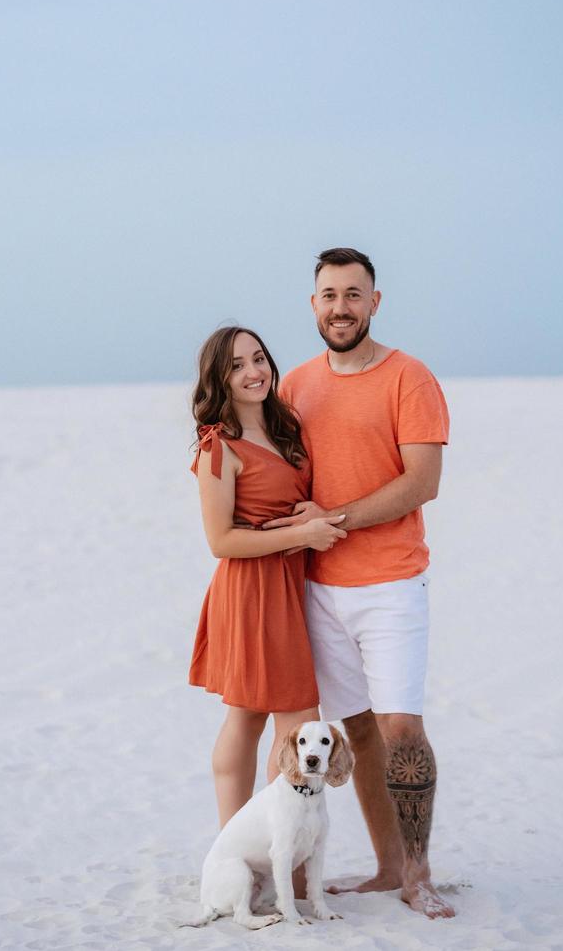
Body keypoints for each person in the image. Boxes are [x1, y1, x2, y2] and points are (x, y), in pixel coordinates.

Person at [265, 247, 455, 919]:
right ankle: (385, 867)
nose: (339, 307)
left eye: (352, 294)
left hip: (391, 584)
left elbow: (421, 483)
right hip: (317, 590)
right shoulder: (296, 386)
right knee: (359, 732)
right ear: (312, 305)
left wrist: (333, 519)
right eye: (327, 295)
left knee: (402, 728)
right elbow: (274, 473)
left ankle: (419, 872)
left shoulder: (410, 378)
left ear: (375, 302)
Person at [189, 326, 347, 828]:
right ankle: (239, 853)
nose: (253, 372)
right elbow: (222, 542)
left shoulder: (284, 428)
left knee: (269, 717)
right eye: (236, 366)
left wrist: (310, 523)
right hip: (252, 590)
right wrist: (303, 536)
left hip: (292, 585)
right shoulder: (219, 447)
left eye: (258, 359)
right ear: (219, 378)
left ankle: (285, 865)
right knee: (264, 717)